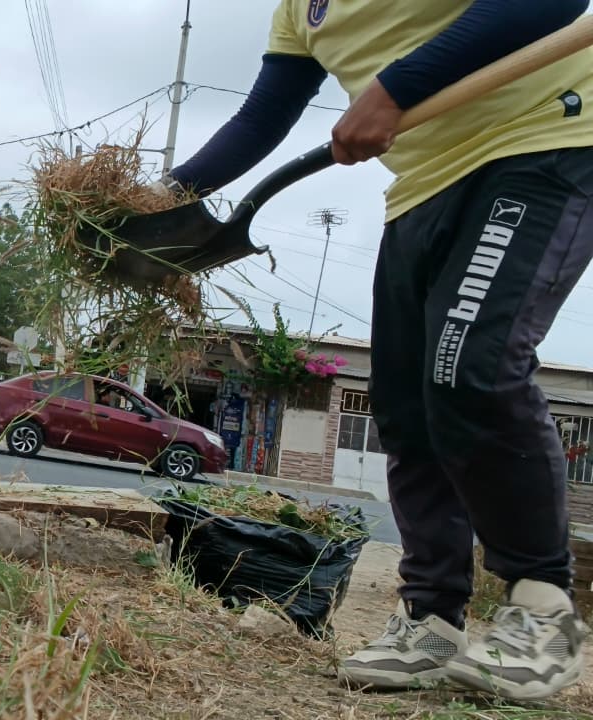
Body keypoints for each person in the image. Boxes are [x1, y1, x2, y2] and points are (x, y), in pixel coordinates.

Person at [165, 0, 592, 700]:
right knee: (402, 406)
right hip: (423, 184)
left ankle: (542, 612)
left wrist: (393, 89)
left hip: (542, 137)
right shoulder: (297, 10)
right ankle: (431, 619)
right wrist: (159, 196)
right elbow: (262, 118)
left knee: (469, 367)